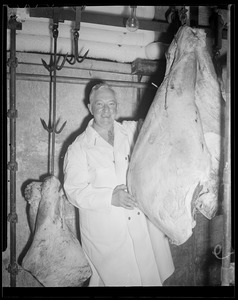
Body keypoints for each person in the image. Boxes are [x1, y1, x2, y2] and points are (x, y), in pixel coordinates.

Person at [63, 83, 174, 286]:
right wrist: (110, 198)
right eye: (100, 104)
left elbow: (160, 127)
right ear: (90, 107)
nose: (106, 110)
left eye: (111, 104)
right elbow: (74, 191)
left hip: (139, 224)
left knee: (147, 278)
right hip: (106, 232)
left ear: (117, 106)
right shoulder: (78, 147)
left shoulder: (131, 131)